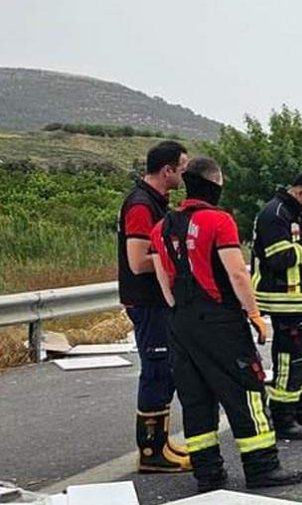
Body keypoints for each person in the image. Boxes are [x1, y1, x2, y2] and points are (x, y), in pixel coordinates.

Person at [148, 156, 302, 492]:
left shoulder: (161, 228)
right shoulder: (219, 221)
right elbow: (236, 274)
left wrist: (179, 313)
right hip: (220, 321)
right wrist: (255, 314)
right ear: (214, 184)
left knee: (196, 398)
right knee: (247, 391)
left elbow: (164, 282)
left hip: (181, 323)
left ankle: (208, 473)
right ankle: (261, 466)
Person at [117, 140, 191, 473]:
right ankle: (150, 452)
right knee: (157, 370)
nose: (185, 174)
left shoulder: (156, 203)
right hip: (147, 302)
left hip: (158, 301)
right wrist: (179, 257)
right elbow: (137, 261)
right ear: (167, 170)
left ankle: (160, 442)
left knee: (165, 371)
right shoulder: (140, 205)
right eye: (183, 168)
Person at [250, 174, 302, 440]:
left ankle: (301, 410)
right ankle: (283, 417)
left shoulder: (292, 213)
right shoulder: (275, 214)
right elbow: (279, 257)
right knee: (290, 361)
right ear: (299, 192)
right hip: (285, 299)